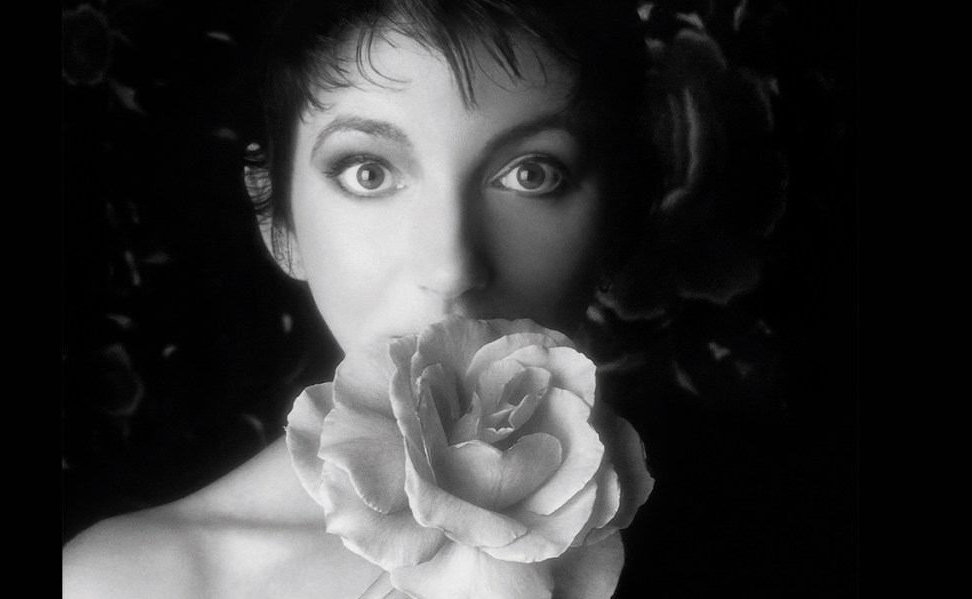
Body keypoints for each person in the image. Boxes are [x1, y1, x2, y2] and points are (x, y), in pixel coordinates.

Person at [63, 0, 854, 596]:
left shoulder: (781, 540)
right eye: (369, 171)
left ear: (616, 227)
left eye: (532, 173)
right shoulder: (126, 581)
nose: (451, 264)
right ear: (281, 223)